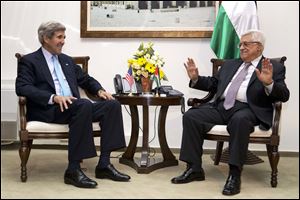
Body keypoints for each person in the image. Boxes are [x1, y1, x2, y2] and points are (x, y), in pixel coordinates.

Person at [171, 30, 290, 195]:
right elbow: (214, 84)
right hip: (222, 107)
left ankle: (234, 175)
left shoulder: (273, 67)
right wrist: (196, 78)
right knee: (192, 116)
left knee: (239, 121)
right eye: (240, 44)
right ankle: (194, 169)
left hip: (249, 110)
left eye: (246, 44)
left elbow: (284, 95)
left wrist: (269, 83)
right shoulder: (230, 64)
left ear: (259, 47)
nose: (241, 47)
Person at [15, 21, 131, 188]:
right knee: (83, 105)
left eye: (64, 37)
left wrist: (99, 91)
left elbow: (86, 80)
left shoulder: (67, 60)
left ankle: (104, 164)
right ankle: (73, 170)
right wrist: (53, 97)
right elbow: (22, 87)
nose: (63, 41)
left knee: (112, 105)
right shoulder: (29, 61)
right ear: (46, 39)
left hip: (75, 107)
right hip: (49, 109)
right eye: (59, 37)